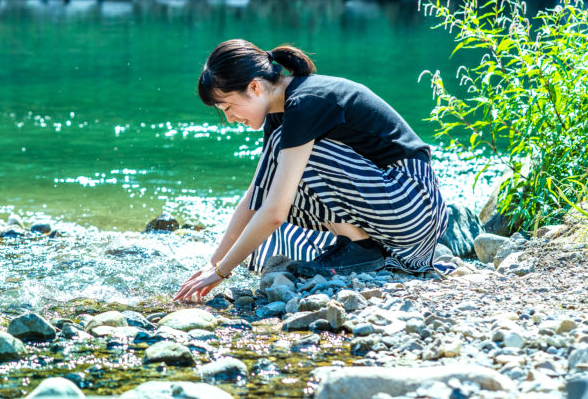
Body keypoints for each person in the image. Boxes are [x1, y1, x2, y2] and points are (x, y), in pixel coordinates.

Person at [174, 39, 449, 303]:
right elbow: (255, 196)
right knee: (276, 173)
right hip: (394, 210)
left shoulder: (306, 103)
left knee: (287, 167)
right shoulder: (279, 113)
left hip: (413, 204)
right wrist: (213, 263)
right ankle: (358, 246)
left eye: (229, 107)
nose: (231, 119)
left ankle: (361, 248)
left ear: (255, 87)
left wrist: (223, 272)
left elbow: (274, 213)